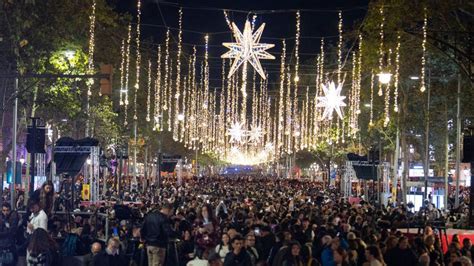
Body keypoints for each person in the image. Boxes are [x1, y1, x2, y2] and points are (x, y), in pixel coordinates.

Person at [141, 202, 175, 266]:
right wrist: (176, 234)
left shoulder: (149, 216)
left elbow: (142, 228)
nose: (172, 214)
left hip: (149, 245)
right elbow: (168, 232)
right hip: (159, 246)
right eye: (172, 212)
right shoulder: (164, 218)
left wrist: (143, 238)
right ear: (168, 210)